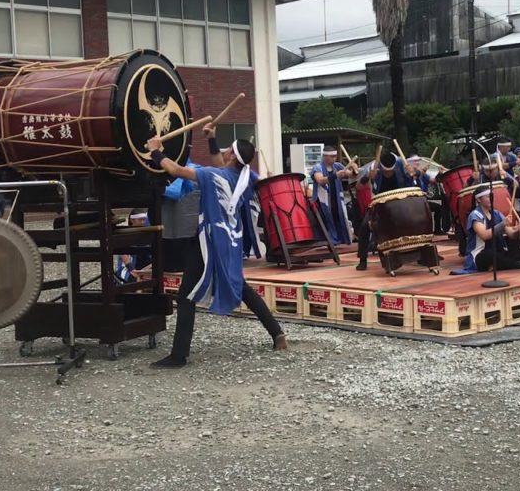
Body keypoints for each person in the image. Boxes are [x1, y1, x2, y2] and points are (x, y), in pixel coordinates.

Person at [145, 135, 286, 368]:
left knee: (186, 296)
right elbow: (222, 166)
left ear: (232, 156)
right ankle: (277, 333)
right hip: (231, 240)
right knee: (241, 288)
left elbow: (176, 170)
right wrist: (211, 138)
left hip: (208, 242)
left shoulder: (211, 175)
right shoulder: (246, 178)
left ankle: (179, 355)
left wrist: (156, 151)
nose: (224, 151)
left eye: (227, 149)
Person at [356, 152, 412, 271]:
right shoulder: (374, 168)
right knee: (364, 226)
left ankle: (420, 251)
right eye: (385, 171)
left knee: (416, 220)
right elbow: (358, 187)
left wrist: (414, 172)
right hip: (379, 205)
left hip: (399, 205)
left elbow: (419, 174)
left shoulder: (402, 166)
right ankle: (362, 260)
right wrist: (367, 178)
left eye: (390, 171)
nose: (388, 173)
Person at [462, 184, 520, 272]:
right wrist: (502, 224)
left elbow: (510, 234)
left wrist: (519, 230)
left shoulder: (496, 213)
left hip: (498, 250)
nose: (491, 199)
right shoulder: (475, 215)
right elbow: (484, 235)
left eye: (492, 196)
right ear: (478, 199)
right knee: (489, 255)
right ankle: (516, 265)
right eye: (488, 197)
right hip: (480, 254)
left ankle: (499, 265)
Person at [311, 146, 356, 246]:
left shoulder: (338, 166)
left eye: (334, 156)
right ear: (325, 156)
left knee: (338, 217)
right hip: (322, 200)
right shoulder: (317, 167)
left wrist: (354, 170)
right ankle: (327, 241)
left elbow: (351, 175)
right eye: (331, 156)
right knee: (326, 220)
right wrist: (336, 175)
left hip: (336, 198)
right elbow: (320, 180)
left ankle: (340, 239)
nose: (333, 158)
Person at [115, 209, 152, 284]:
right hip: (130, 268)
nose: (143, 222)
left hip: (146, 267)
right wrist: (131, 269)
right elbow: (122, 254)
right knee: (131, 280)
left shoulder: (148, 234)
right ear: (132, 220)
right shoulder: (126, 235)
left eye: (144, 220)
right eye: (140, 220)